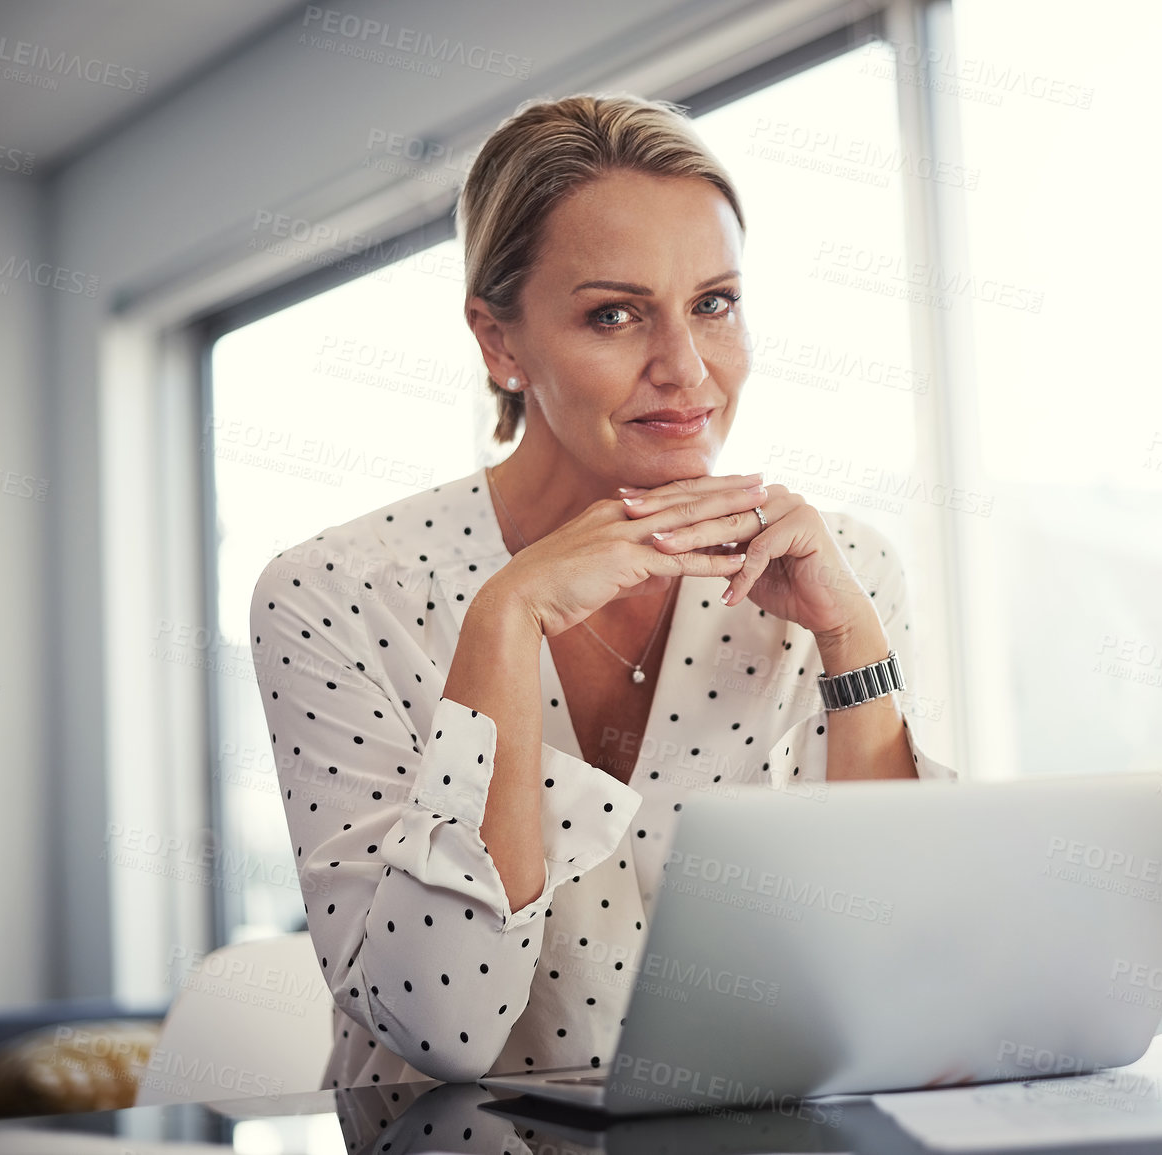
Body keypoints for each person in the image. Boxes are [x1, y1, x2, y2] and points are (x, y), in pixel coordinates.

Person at [250, 92, 957, 1089]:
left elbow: (902, 974)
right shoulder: (333, 595)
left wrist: (852, 648)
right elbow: (443, 1029)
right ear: (499, 344)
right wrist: (504, 621)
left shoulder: (837, 569)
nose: (686, 370)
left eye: (713, 304)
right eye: (614, 315)